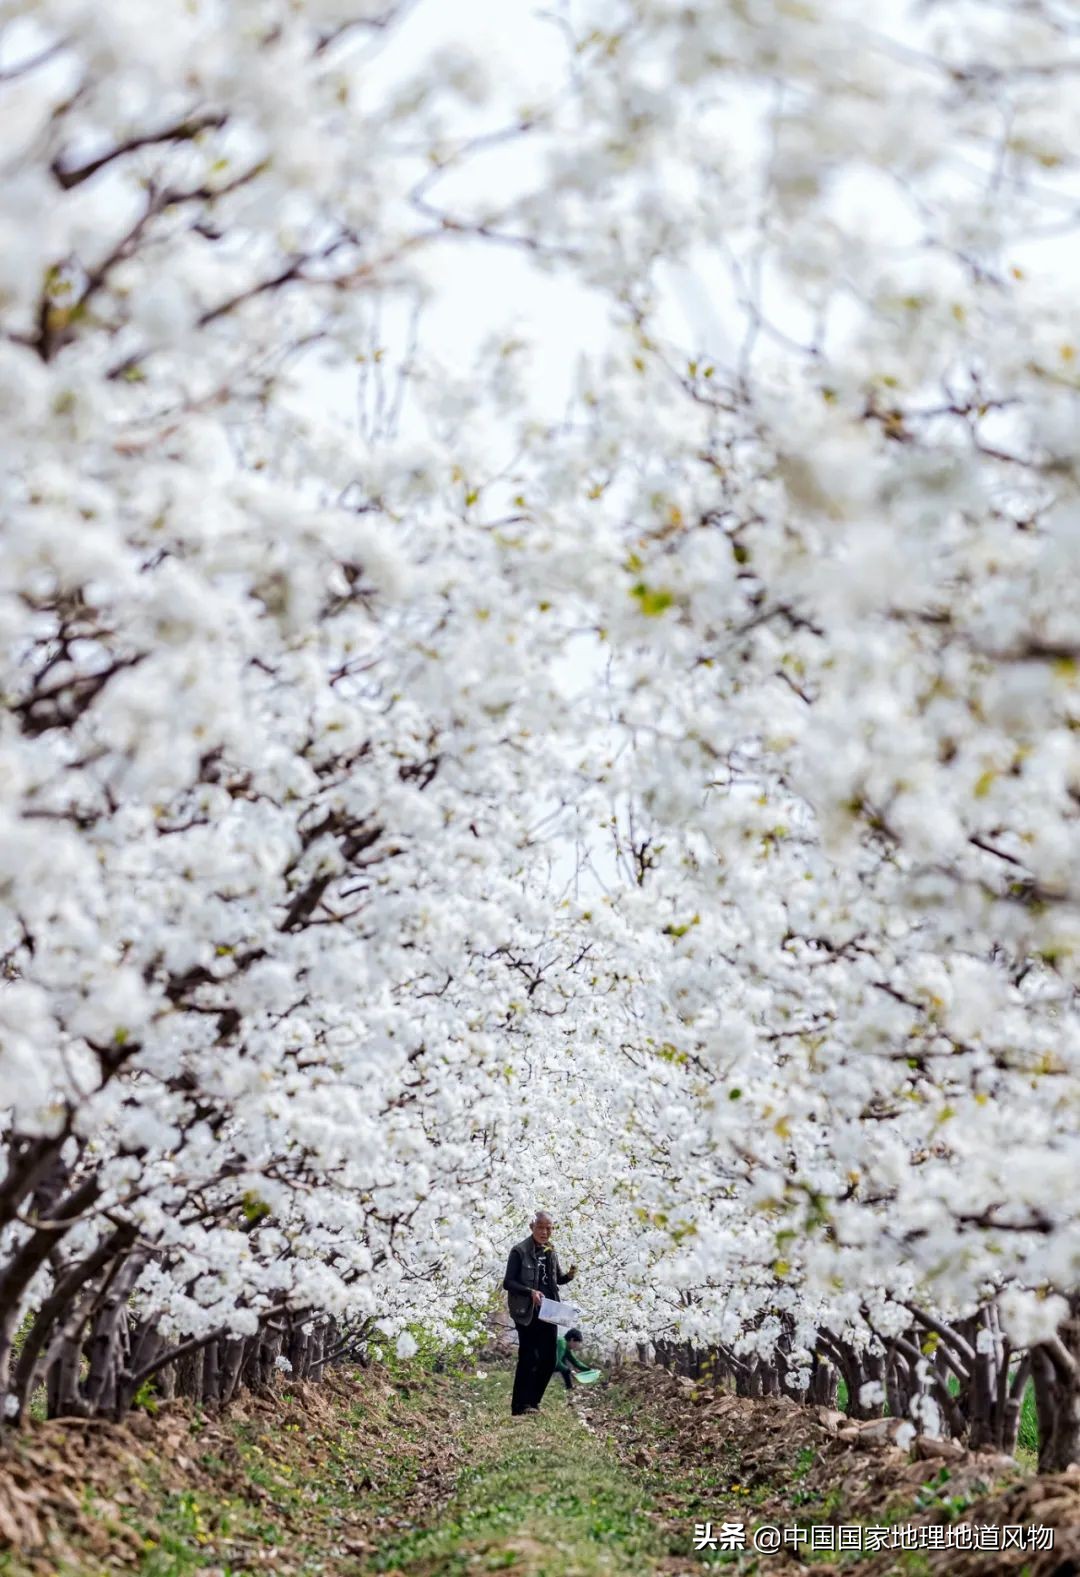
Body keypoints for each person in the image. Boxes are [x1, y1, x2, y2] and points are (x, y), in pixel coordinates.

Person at [502, 1211, 577, 1416]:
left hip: (549, 1311)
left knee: (549, 1360)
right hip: (527, 1312)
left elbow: (556, 1279)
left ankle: (533, 1403)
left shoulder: (550, 1250)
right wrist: (530, 1292)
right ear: (531, 1227)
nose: (545, 1232)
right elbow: (508, 1282)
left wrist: (569, 1276)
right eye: (541, 1227)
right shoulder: (519, 1251)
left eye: (549, 1228)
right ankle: (520, 1406)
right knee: (529, 1357)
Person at [555, 1327, 591, 1393]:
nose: (577, 1345)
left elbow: (575, 1362)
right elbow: (556, 1363)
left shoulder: (566, 1346)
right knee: (564, 1366)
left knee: (564, 1364)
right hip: (541, 1362)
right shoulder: (561, 1342)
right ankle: (569, 1388)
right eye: (578, 1342)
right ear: (572, 1339)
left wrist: (589, 1370)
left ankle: (569, 1388)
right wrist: (569, 1370)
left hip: (550, 1362)